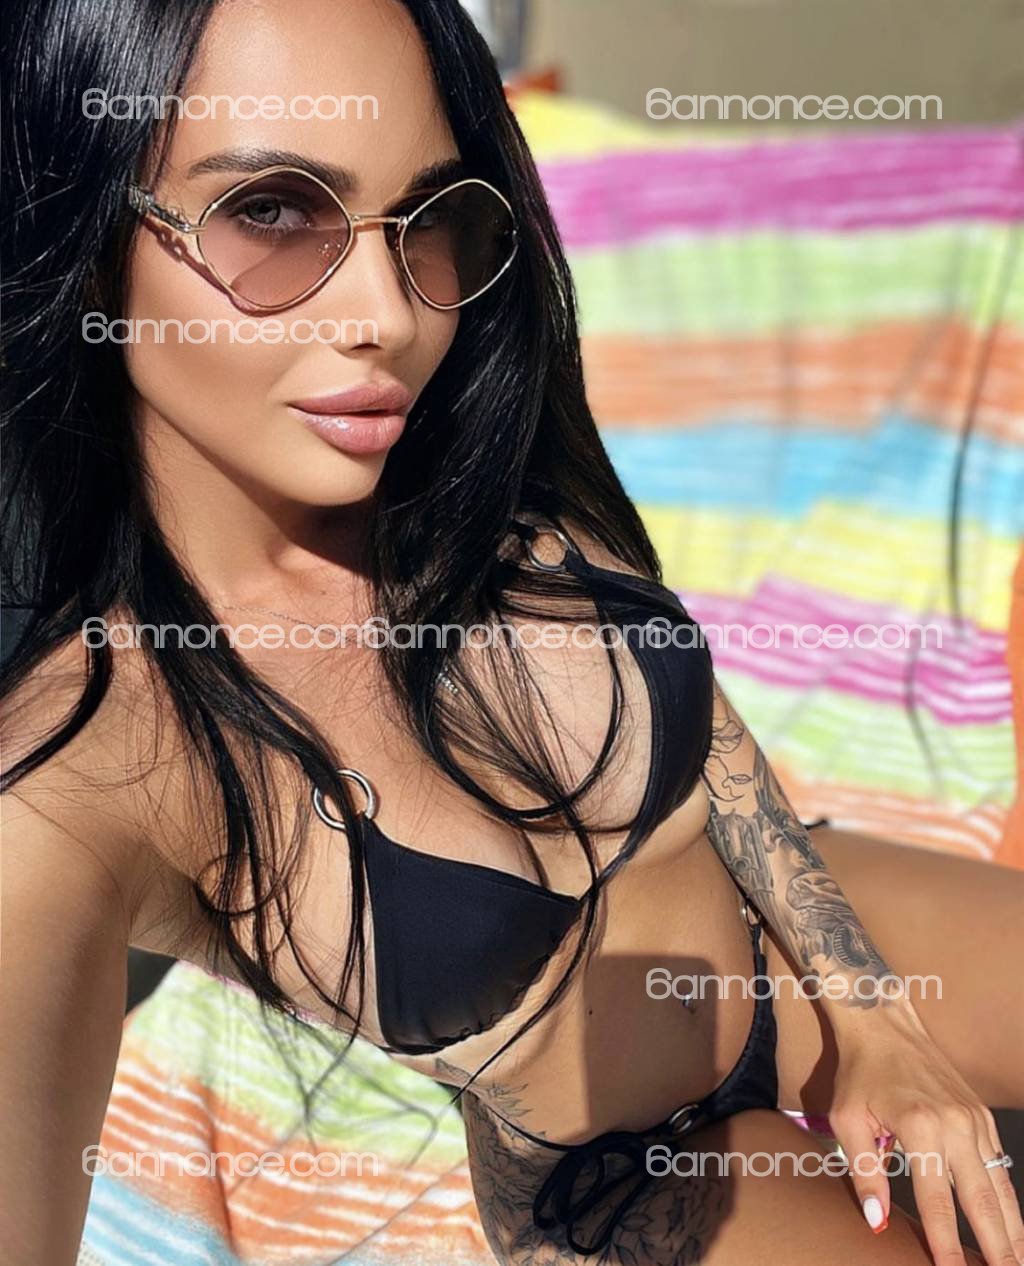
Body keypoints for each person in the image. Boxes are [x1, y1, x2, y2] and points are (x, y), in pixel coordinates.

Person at [1, 2, 1021, 1264]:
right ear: (86, 239)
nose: (390, 314)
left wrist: (875, 1018)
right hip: (621, 1179)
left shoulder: (471, 472)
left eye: (428, 218)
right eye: (271, 211)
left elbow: (708, 742)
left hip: (794, 941)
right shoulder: (77, 776)